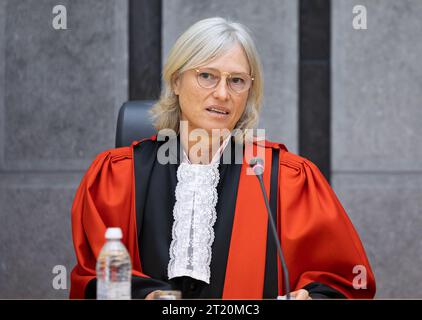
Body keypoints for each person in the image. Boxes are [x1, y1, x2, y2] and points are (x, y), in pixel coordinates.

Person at [70, 17, 376, 300]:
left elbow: (347, 282)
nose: (222, 94)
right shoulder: (117, 176)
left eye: (237, 81)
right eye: (207, 75)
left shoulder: (286, 180)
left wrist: (311, 298)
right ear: (176, 81)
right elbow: (92, 278)